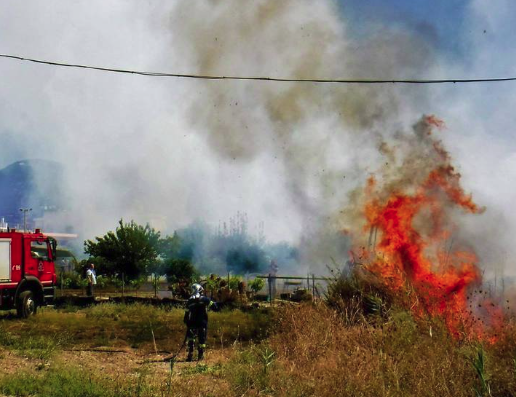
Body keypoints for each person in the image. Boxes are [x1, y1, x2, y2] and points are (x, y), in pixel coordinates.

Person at [183, 283, 217, 361]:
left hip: (192, 322)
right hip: (202, 322)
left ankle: (190, 355)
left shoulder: (190, 301)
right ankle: (200, 355)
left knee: (191, 338)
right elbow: (214, 307)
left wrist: (187, 322)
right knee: (202, 340)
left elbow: (186, 314)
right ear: (199, 290)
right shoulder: (205, 299)